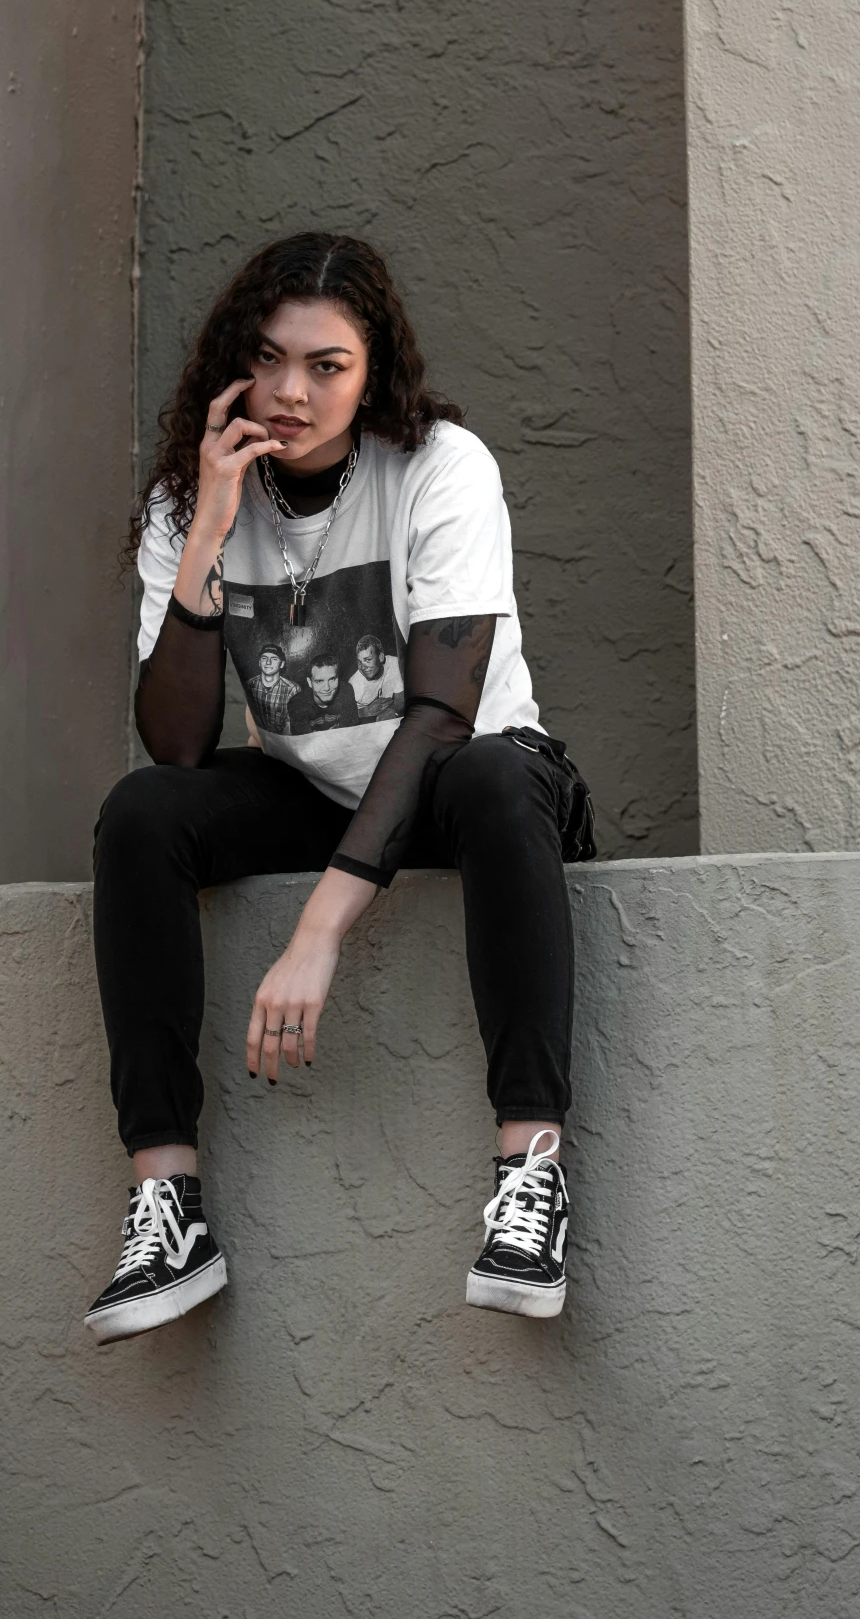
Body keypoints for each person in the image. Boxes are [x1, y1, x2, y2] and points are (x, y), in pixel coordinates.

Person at [86, 233, 590, 1345]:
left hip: (468, 775)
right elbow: (175, 745)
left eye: (327, 365)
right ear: (233, 364)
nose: (290, 391)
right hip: (313, 784)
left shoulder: (441, 465)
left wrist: (318, 928)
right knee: (138, 815)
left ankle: (530, 1177)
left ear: (375, 375)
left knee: (501, 776)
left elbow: (443, 709)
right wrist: (210, 532)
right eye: (268, 359)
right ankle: (167, 1205)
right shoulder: (195, 496)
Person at [349, 632, 404, 721]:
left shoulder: (394, 663)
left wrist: (393, 710)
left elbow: (400, 698)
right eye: (359, 662)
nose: (363, 667)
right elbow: (346, 716)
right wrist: (366, 712)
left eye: (368, 660)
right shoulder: (354, 684)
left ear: (381, 657)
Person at [246, 642, 299, 735]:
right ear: (259, 662)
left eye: (274, 659)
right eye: (264, 658)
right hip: (259, 735)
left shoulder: (292, 689)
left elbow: (292, 725)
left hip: (283, 739)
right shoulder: (250, 685)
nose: (268, 662)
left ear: (281, 664)